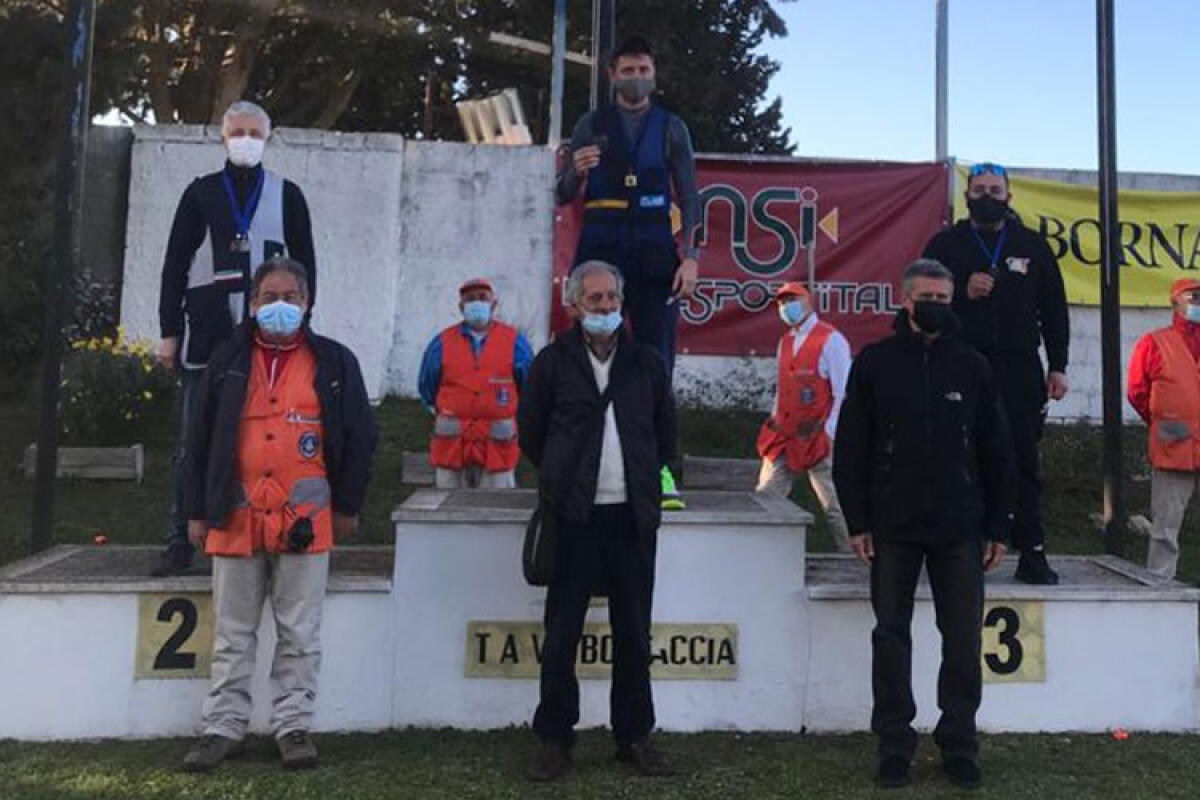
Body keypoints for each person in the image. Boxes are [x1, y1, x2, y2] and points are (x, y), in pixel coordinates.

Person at [180, 257, 375, 772]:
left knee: (299, 634)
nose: (280, 306)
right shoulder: (226, 359)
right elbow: (196, 441)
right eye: (269, 297)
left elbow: (361, 438)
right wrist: (195, 511)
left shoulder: (334, 363)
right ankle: (221, 728)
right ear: (253, 303)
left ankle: (293, 728)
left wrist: (349, 504)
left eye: (291, 296)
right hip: (234, 518)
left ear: (308, 302)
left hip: (305, 522)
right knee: (231, 633)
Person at [834, 259, 1016, 790]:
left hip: (960, 528)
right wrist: (858, 521)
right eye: (927, 295)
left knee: (961, 640)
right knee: (891, 637)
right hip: (891, 526)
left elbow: (996, 449)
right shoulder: (875, 362)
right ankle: (894, 743)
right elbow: (851, 450)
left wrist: (998, 526)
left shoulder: (973, 364)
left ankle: (959, 742)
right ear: (906, 301)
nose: (936, 304)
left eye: (944, 295)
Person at [518, 260, 676, 782]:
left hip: (631, 521)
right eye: (595, 300)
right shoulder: (551, 363)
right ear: (574, 306)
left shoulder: (647, 363)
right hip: (573, 519)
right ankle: (554, 739)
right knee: (562, 633)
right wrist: (567, 479)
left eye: (612, 297)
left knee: (634, 634)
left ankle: (633, 736)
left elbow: (664, 435)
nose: (606, 307)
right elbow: (532, 435)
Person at [153, 100, 318, 577]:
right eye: (237, 131)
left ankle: (260, 530)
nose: (245, 139)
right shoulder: (200, 194)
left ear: (268, 137)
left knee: (262, 437)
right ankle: (178, 539)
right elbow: (173, 266)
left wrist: (302, 324)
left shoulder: (288, 195)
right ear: (222, 138)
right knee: (192, 440)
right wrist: (169, 332)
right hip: (206, 336)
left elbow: (307, 266)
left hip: (268, 338)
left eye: (253, 132)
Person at [555, 35, 699, 509]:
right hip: (601, 243)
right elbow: (562, 194)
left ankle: (662, 472)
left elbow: (691, 196)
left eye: (643, 70)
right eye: (627, 70)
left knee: (658, 362)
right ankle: (580, 461)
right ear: (611, 76)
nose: (636, 77)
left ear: (653, 75)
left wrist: (692, 257)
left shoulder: (672, 127)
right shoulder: (590, 124)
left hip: (655, 250)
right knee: (584, 356)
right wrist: (576, 171)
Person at [921, 161, 1069, 585]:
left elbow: (1054, 311)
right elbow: (923, 309)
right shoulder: (944, 245)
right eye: (980, 189)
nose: (988, 196)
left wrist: (1057, 365)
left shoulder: (1031, 245)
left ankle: (1031, 549)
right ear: (966, 196)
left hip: (1020, 369)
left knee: (1022, 456)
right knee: (958, 457)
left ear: (1009, 196)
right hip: (959, 366)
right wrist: (962, 296)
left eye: (995, 189)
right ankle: (958, 548)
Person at [755, 281, 852, 552]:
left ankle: (855, 563)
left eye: (792, 300)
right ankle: (759, 555)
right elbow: (782, 386)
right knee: (765, 499)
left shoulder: (831, 339)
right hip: (784, 435)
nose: (786, 307)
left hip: (819, 436)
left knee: (835, 507)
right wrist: (773, 421)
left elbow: (843, 392)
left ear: (810, 301)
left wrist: (832, 432)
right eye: (782, 303)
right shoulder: (785, 341)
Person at [417, 277, 534, 488]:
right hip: (451, 447)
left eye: (482, 297)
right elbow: (427, 387)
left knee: (497, 512)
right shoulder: (441, 342)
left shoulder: (515, 342)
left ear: (494, 304)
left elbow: (529, 386)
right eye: (470, 299)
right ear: (461, 307)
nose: (476, 303)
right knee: (447, 511)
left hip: (498, 448)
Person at [1127, 277, 1200, 581]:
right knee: (1165, 529)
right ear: (1174, 301)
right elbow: (1136, 391)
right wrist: (1162, 419)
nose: (1197, 303)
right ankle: (1159, 589)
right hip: (1174, 447)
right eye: (1192, 296)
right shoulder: (1154, 342)